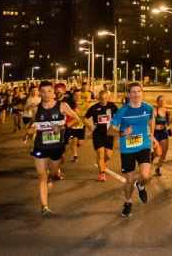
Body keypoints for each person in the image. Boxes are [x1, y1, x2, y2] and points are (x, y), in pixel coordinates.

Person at [27, 80, 80, 217]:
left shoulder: (62, 106)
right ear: (39, 92)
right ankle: (44, 207)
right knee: (41, 175)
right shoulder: (36, 108)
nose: (46, 94)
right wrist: (30, 131)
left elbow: (76, 119)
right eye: (43, 91)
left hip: (56, 146)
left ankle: (50, 178)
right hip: (40, 145)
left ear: (53, 92)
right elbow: (32, 125)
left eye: (49, 91)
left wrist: (63, 127)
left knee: (53, 170)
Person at [108, 82, 155, 217]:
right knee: (129, 180)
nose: (136, 95)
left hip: (143, 146)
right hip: (127, 149)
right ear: (128, 94)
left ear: (142, 92)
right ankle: (128, 202)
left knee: (145, 176)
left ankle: (140, 186)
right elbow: (110, 131)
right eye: (133, 92)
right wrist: (122, 132)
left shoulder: (148, 108)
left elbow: (152, 120)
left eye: (139, 91)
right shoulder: (122, 111)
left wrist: (152, 135)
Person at [84, 90, 118, 182]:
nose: (103, 100)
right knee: (100, 154)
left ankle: (104, 163)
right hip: (97, 133)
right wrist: (88, 126)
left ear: (108, 98)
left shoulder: (112, 106)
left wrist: (116, 125)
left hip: (109, 133)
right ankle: (102, 174)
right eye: (102, 99)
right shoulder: (94, 108)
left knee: (109, 155)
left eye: (105, 98)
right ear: (99, 98)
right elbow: (85, 117)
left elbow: (119, 116)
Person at [152, 95, 172, 176]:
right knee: (158, 153)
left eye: (163, 100)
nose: (162, 102)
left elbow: (167, 123)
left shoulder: (167, 112)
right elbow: (151, 124)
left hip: (163, 132)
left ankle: (158, 168)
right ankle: (153, 155)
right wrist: (151, 134)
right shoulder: (154, 111)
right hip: (156, 133)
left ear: (166, 102)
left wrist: (171, 121)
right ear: (157, 102)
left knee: (164, 153)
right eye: (160, 101)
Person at [66, 89, 88, 162]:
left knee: (80, 142)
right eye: (76, 95)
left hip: (81, 125)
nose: (77, 97)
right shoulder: (70, 104)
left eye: (79, 95)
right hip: (73, 125)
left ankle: (74, 147)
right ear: (73, 96)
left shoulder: (84, 103)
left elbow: (87, 114)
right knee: (74, 141)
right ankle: (75, 155)